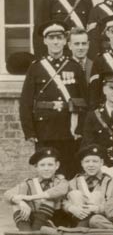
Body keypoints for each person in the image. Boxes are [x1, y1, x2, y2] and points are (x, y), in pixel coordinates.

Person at [20, 20, 88, 177]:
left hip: (70, 129)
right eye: (51, 38)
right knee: (47, 170)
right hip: (44, 129)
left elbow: (85, 100)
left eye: (59, 38)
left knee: (71, 171)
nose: (56, 42)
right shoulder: (36, 67)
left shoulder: (74, 66)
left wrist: (80, 128)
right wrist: (29, 131)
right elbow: (26, 102)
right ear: (45, 41)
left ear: (65, 41)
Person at [4, 148, 69, 235]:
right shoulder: (29, 183)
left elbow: (58, 191)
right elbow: (7, 193)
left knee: (49, 200)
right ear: (36, 167)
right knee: (16, 204)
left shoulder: (61, 182)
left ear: (57, 165)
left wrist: (30, 197)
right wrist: (20, 201)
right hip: (35, 220)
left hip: (55, 220)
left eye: (50, 165)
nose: (46, 168)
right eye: (42, 165)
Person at [64, 145, 112, 229]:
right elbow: (63, 201)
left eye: (95, 161)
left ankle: (80, 230)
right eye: (87, 161)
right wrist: (71, 208)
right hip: (77, 218)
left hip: (99, 221)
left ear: (101, 162)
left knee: (97, 195)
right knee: (75, 194)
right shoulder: (74, 182)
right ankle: (81, 227)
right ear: (82, 163)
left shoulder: (110, 182)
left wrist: (97, 208)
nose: (91, 165)